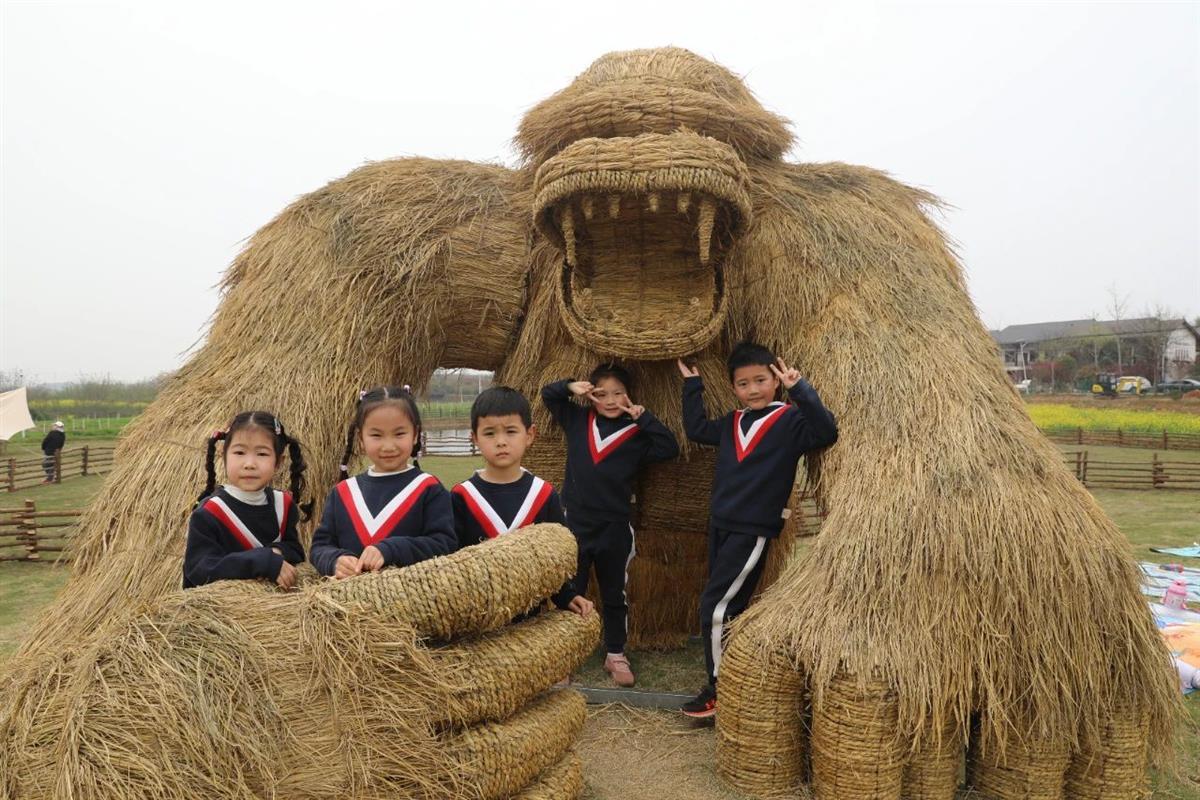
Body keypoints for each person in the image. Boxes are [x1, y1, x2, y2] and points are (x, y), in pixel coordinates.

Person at [677, 342, 838, 718]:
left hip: (752, 530)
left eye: (761, 380)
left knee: (714, 607)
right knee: (727, 606)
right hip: (720, 524)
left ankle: (718, 690)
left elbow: (826, 432)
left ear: (776, 381)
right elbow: (697, 428)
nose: (753, 389)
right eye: (743, 383)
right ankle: (736, 675)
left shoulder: (790, 421)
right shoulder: (733, 422)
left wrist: (801, 389)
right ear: (734, 388)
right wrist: (693, 385)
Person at [542, 364, 680, 687]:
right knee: (568, 592)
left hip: (615, 527)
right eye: (603, 393)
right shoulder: (577, 420)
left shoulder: (636, 434)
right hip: (574, 523)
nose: (611, 399)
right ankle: (566, 656)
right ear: (592, 395)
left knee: (613, 593)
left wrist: (642, 417)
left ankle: (615, 653)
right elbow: (549, 396)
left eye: (618, 393)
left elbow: (669, 447)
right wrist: (570, 387)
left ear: (629, 396)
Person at [452, 386, 593, 619]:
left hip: (530, 617)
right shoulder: (461, 496)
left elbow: (556, 558)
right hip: (477, 616)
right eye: (489, 433)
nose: (501, 442)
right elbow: (451, 562)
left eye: (510, 431)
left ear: (529, 435)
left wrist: (566, 595)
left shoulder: (544, 494)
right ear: (474, 438)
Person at [310, 385, 455, 579]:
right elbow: (320, 547)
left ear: (415, 435)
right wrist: (335, 560)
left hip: (411, 602)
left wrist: (391, 549)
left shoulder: (428, 488)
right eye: (376, 435)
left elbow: (445, 544)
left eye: (399, 434)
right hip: (350, 604)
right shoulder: (343, 492)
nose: (388, 446)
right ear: (361, 439)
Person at [183, 411, 309, 589]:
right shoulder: (209, 514)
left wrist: (276, 552)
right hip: (222, 612)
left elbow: (295, 551)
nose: (249, 464)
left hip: (273, 611)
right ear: (223, 454)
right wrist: (262, 560)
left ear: (279, 462)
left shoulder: (284, 505)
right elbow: (200, 570)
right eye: (240, 452)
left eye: (262, 454)